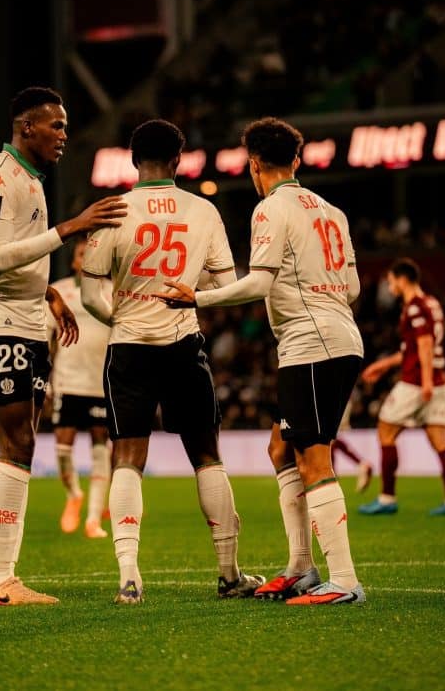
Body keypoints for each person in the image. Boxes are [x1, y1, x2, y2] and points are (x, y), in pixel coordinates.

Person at [157, 116, 366, 605]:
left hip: (311, 342)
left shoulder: (271, 208)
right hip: (337, 337)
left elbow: (258, 283)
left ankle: (344, 581)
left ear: (253, 164)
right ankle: (301, 567)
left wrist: (198, 298)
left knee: (313, 457)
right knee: (281, 449)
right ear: (297, 159)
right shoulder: (333, 212)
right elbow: (353, 288)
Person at [80, 118, 265, 605]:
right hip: (183, 342)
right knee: (207, 456)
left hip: (129, 347)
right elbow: (226, 286)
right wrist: (193, 291)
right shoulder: (203, 210)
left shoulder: (113, 210)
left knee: (127, 457)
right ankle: (229, 575)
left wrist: (120, 316)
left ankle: (129, 578)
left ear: (133, 160)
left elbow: (90, 293)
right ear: (178, 160)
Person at [0, 86, 126, 607]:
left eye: (65, 126)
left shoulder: (29, 179)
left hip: (26, 319)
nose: (64, 135)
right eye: (56, 125)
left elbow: (17, 259)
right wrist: (70, 227)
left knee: (19, 444)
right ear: (26, 127)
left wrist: (48, 292)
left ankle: (2, 576)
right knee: (17, 443)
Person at [358, 258, 445, 516]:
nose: (390, 286)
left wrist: (425, 381)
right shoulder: (432, 303)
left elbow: (425, 344)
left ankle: (387, 498)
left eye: (391, 281)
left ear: (402, 279)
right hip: (440, 381)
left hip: (417, 381)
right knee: (439, 440)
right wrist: (383, 365)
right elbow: (413, 348)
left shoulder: (414, 307)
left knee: (385, 430)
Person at [46, 237, 112, 537]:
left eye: (92, 254)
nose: (86, 258)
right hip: (67, 380)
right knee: (63, 446)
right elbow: (47, 339)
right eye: (82, 254)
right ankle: (74, 494)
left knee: (101, 447)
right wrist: (45, 380)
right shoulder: (58, 291)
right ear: (73, 261)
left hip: (100, 383)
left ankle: (93, 519)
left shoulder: (113, 291)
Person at [332, 398, 373, 493]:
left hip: (333, 401)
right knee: (330, 440)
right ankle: (362, 464)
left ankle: (331, 476)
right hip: (340, 399)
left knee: (327, 440)